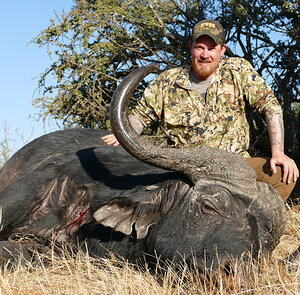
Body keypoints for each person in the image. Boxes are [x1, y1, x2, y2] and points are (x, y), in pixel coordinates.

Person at [102, 19, 299, 201]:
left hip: (234, 168)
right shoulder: (167, 80)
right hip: (184, 172)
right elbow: (140, 118)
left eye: (212, 48)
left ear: (223, 50)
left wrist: (278, 153)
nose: (205, 55)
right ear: (191, 47)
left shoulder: (238, 70)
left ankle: (248, 228)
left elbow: (270, 105)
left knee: (283, 175)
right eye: (200, 48)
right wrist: (124, 133)